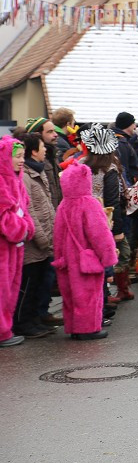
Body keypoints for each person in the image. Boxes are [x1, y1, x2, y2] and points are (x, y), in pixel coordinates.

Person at [50, 163, 115, 341]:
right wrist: (108, 257)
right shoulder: (89, 203)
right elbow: (99, 234)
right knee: (89, 295)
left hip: (66, 259)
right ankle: (88, 328)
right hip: (87, 259)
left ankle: (74, 327)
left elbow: (57, 235)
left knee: (71, 294)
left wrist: (59, 257)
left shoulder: (63, 205)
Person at [79, 124, 130, 302]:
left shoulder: (80, 164)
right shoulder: (109, 168)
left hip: (81, 218)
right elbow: (112, 200)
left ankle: (97, 298)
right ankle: (103, 299)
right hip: (102, 219)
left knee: (89, 260)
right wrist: (117, 230)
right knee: (109, 258)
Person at [13, 134, 55, 339]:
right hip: (33, 242)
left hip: (44, 239)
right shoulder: (26, 176)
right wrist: (42, 239)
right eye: (42, 146)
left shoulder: (38, 171)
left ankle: (34, 319)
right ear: (34, 151)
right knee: (28, 285)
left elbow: (46, 205)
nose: (46, 149)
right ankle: (23, 323)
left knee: (38, 283)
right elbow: (29, 210)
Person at [0, 137, 35, 348]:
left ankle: (5, 329)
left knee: (11, 287)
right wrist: (22, 228)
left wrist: (27, 226)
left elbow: (24, 209)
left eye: (23, 156)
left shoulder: (16, 180)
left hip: (15, 246)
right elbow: (4, 217)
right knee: (2, 288)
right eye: (18, 157)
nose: (22, 160)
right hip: (4, 247)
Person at [112, 111, 138, 184]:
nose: (135, 126)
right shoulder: (121, 143)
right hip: (125, 185)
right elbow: (122, 168)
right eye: (133, 123)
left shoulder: (118, 140)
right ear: (128, 125)